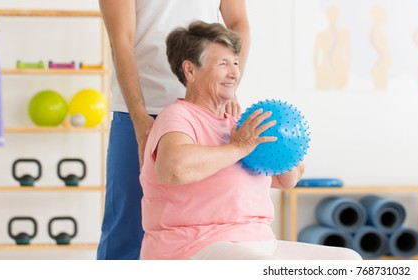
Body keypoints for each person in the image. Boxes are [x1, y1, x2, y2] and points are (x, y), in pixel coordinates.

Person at [138, 21, 362, 260]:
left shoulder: (240, 124)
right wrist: (239, 147)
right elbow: (174, 169)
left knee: (348, 262)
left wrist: (285, 147)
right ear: (190, 70)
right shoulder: (178, 116)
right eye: (223, 64)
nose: (234, 73)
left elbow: (286, 180)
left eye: (235, 63)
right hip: (193, 245)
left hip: (260, 242)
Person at [97, 0, 250, 260]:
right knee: (127, 225)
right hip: (142, 111)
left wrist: (228, 85)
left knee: (208, 223)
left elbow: (239, 23)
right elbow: (120, 39)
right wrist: (139, 117)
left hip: (207, 107)